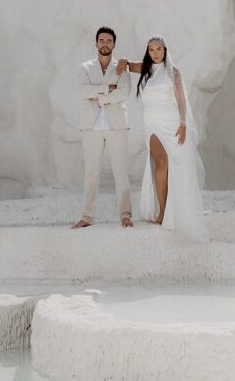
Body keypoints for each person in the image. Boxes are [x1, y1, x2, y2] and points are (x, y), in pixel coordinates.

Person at [117, 36, 208, 242]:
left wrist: (183, 122)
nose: (156, 53)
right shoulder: (145, 69)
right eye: (151, 50)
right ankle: (163, 211)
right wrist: (122, 60)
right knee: (161, 162)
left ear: (165, 50)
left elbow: (181, 99)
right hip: (152, 125)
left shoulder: (173, 72)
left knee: (178, 166)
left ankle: (175, 209)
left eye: (159, 49)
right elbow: (126, 64)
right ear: (148, 52)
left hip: (172, 123)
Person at [73, 26, 133, 229]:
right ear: (96, 43)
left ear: (114, 44)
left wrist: (97, 95)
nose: (105, 44)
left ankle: (125, 215)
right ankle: (86, 216)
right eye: (102, 40)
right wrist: (108, 89)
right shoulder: (85, 67)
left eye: (109, 41)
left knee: (121, 173)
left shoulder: (121, 67)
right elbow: (82, 91)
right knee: (91, 174)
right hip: (91, 126)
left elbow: (124, 92)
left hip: (117, 125)